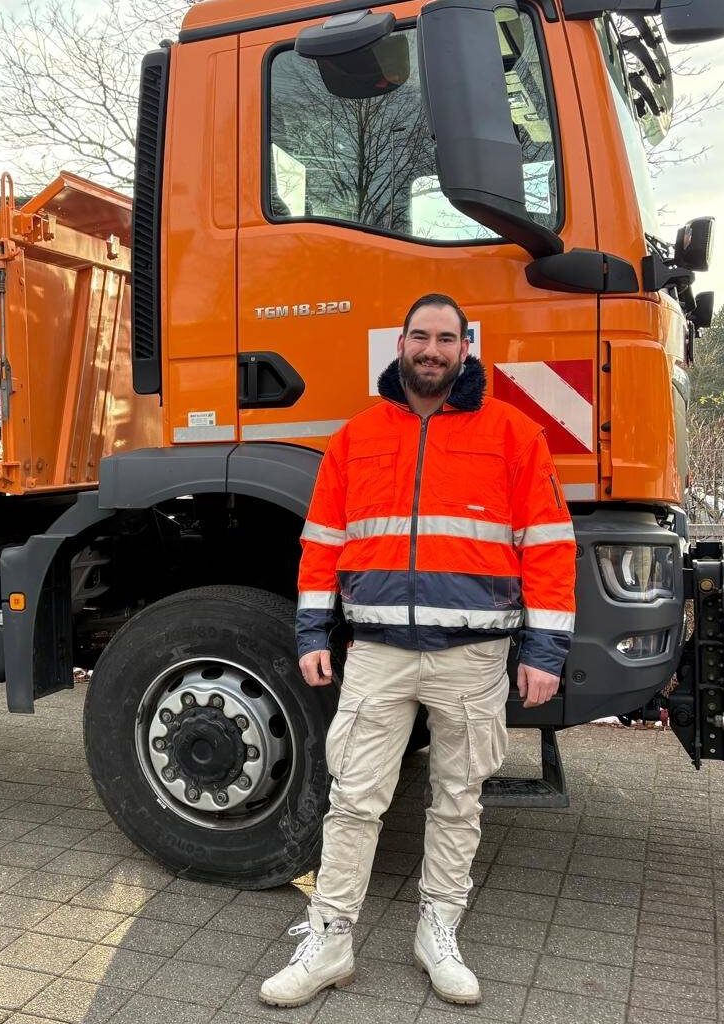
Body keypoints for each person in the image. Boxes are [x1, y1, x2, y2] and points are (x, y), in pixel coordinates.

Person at [260, 294, 575, 1008]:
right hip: (377, 653)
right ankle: (330, 939)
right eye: (420, 336)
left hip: (473, 657)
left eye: (446, 338)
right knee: (353, 801)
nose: (432, 349)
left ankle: (438, 932)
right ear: (400, 345)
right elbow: (322, 544)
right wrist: (313, 634)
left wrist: (545, 651)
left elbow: (551, 548)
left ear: (466, 348)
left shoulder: (513, 435)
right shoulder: (357, 436)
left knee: (459, 801)